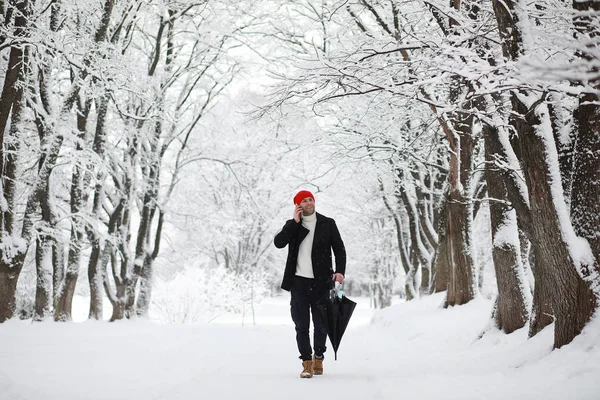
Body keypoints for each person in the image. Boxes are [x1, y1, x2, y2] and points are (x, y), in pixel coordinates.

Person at [273, 190, 346, 378]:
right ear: (298, 205)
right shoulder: (292, 225)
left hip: (322, 282)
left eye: (310, 199)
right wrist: (294, 223)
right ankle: (306, 362)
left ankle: (319, 356)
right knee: (301, 324)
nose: (308, 203)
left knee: (321, 324)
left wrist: (339, 271)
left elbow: (339, 249)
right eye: (304, 201)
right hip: (298, 282)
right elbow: (279, 243)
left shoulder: (327, 223)